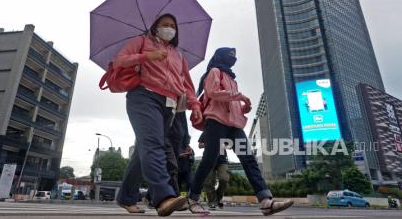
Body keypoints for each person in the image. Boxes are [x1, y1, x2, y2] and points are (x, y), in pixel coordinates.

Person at [114, 14, 202, 217]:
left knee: (143, 150)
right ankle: (163, 197)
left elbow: (187, 84)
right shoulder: (141, 41)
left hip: (170, 104)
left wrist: (195, 105)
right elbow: (119, 61)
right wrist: (147, 56)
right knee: (155, 145)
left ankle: (126, 197)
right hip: (144, 97)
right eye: (165, 25)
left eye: (173, 26)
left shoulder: (178, 54)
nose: (169, 29)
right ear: (155, 27)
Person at [187, 47, 294, 216]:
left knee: (249, 159)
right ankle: (193, 198)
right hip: (215, 121)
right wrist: (239, 96)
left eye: (235, 57)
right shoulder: (214, 71)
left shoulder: (231, 78)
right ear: (220, 56)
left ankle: (265, 200)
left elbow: (231, 104)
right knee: (209, 159)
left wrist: (244, 108)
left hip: (234, 125)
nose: (233, 59)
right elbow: (213, 93)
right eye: (230, 56)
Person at [198, 132, 229, 210]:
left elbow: (228, 145)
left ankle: (218, 198)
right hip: (208, 159)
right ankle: (212, 201)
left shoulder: (223, 132)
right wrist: (210, 143)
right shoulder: (205, 132)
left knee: (224, 179)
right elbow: (200, 145)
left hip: (222, 160)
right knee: (208, 182)